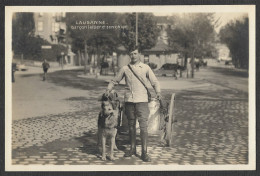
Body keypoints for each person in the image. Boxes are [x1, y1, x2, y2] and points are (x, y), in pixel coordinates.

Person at [105, 47, 161, 162]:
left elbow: (154, 81)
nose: (133, 56)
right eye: (131, 54)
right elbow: (115, 80)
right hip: (129, 101)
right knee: (131, 125)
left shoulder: (145, 68)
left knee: (143, 126)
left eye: (135, 53)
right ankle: (132, 148)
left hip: (142, 100)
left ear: (139, 54)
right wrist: (108, 89)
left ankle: (145, 153)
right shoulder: (125, 68)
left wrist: (158, 92)